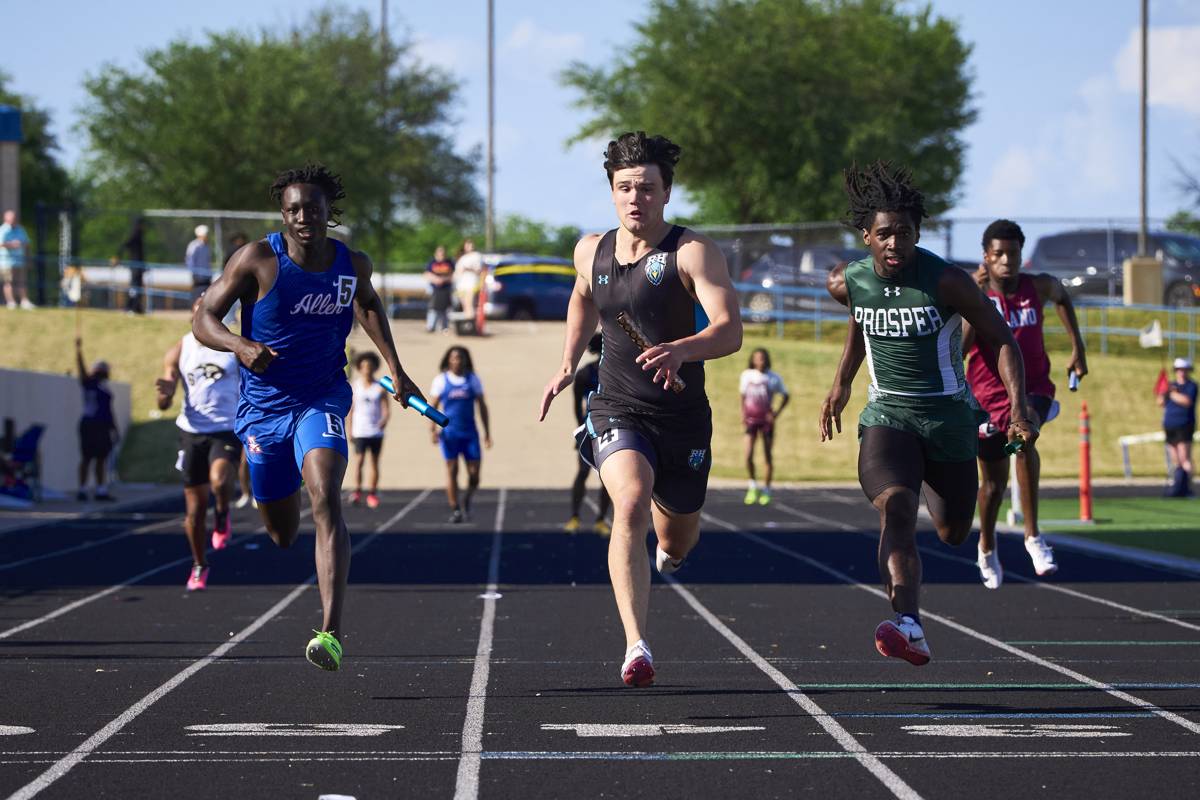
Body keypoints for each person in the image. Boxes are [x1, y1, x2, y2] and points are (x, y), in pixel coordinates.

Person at [193, 164, 424, 671]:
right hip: (263, 410)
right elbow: (202, 317)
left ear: (327, 214)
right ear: (283, 213)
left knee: (325, 496)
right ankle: (277, 493)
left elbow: (367, 304)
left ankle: (331, 630)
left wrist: (396, 368)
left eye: (313, 209)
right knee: (279, 531)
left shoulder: (350, 263)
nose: (304, 217)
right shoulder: (256, 259)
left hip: (322, 397)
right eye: (294, 209)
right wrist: (240, 344)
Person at [538, 131, 742, 687]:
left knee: (677, 539)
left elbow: (729, 331)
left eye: (647, 188)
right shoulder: (590, 250)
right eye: (625, 187)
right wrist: (566, 362)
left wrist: (683, 348)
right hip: (616, 406)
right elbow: (583, 295)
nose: (636, 198)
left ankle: (669, 556)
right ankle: (637, 645)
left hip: (681, 417)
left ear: (666, 192)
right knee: (627, 502)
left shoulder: (691, 252)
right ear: (611, 192)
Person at [819, 161, 1037, 667]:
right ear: (866, 236)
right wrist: (842, 382)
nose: (895, 245)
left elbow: (1002, 338)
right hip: (887, 415)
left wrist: (1019, 411)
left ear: (917, 233)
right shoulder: (844, 280)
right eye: (884, 235)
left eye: (905, 234)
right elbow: (860, 316)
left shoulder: (948, 282)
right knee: (894, 506)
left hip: (948, 420)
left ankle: (948, 554)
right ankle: (908, 622)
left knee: (952, 531)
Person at [964, 219, 1088, 588]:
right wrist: (976, 300)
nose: (1006, 260)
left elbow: (1063, 295)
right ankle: (986, 544)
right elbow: (964, 348)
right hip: (987, 395)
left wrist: (1077, 347)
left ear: (1021, 254)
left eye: (1013, 253)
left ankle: (1033, 536)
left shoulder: (1038, 286)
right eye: (998, 254)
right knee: (992, 487)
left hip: (1032, 386)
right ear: (986, 257)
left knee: (1026, 434)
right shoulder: (976, 293)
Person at [156, 296, 242, 591]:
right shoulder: (181, 348)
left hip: (226, 428)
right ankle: (198, 564)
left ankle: (222, 512)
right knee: (193, 511)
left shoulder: (232, 345)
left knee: (219, 481)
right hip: (192, 431)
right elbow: (165, 399)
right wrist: (165, 392)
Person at [430, 345, 491, 522]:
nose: (457, 360)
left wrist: (487, 433)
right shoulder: (441, 380)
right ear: (448, 360)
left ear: (466, 360)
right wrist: (432, 430)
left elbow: (482, 406)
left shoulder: (472, 379)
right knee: (452, 470)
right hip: (449, 434)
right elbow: (432, 407)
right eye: (454, 357)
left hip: (470, 434)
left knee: (474, 475)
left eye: (461, 357)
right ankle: (455, 508)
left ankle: (467, 499)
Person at [565, 332, 612, 535]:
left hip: (613, 429)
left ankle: (601, 520)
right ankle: (574, 517)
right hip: (590, 427)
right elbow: (577, 406)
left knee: (608, 478)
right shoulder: (585, 374)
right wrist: (581, 429)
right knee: (583, 472)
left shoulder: (618, 373)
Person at [740, 347, 789, 506]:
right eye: (756, 358)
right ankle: (752, 485)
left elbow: (785, 396)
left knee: (767, 455)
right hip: (751, 421)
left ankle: (767, 489)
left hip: (766, 422)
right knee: (748, 454)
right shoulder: (747, 375)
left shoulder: (773, 378)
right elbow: (743, 396)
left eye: (762, 358)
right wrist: (743, 414)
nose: (759, 360)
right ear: (753, 360)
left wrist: (775, 414)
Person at [75, 337, 119, 501]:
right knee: (87, 458)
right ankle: (82, 489)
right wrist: (78, 350)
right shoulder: (90, 383)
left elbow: (109, 411)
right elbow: (81, 370)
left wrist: (114, 428)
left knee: (101, 458)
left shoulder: (104, 387)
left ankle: (101, 490)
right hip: (90, 425)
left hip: (103, 426)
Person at [347, 352, 389, 509]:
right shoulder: (355, 387)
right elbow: (351, 410)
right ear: (360, 368)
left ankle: (372, 493)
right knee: (359, 461)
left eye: (370, 366)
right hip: (360, 431)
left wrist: (384, 420)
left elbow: (386, 408)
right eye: (364, 366)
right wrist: (350, 429)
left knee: (374, 462)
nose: (367, 369)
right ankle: (357, 491)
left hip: (376, 431)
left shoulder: (380, 387)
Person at [1159, 357, 1196, 497]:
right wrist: (1164, 392)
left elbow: (1186, 401)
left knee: (1184, 457)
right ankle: (1178, 486)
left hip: (1184, 425)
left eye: (1183, 369)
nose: (1181, 372)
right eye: (1179, 369)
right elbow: (1161, 402)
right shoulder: (1170, 385)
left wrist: (1172, 393)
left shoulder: (1191, 386)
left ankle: (1189, 488)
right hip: (1170, 425)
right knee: (1175, 459)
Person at [1, 209, 34, 310]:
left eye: (14, 217)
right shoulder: (2, 230)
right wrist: (11, 244)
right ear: (5, 218)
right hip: (6, 261)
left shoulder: (20, 229)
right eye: (10, 218)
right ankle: (11, 302)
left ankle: (24, 301)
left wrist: (22, 246)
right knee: (8, 282)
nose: (12, 219)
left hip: (20, 260)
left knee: (21, 281)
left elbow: (27, 243)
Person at [116, 218, 146, 314]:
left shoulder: (138, 235)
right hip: (135, 267)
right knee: (135, 287)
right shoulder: (135, 235)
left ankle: (137, 307)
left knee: (137, 287)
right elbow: (125, 244)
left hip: (138, 266)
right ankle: (131, 307)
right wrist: (118, 256)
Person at [425, 245, 454, 333]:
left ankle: (444, 327)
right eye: (439, 253)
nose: (441, 255)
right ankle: (431, 326)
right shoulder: (432, 262)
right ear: (436, 254)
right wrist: (436, 279)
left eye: (443, 253)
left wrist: (444, 279)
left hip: (446, 289)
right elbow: (426, 274)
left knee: (446, 309)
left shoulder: (449, 263)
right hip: (434, 289)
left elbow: (454, 274)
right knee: (433, 308)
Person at [454, 238, 484, 322]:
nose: (469, 247)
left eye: (470, 245)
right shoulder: (462, 257)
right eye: (467, 245)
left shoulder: (476, 256)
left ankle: (471, 325)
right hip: (461, 284)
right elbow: (457, 271)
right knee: (464, 306)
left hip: (470, 283)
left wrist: (467, 269)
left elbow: (478, 270)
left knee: (469, 304)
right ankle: (467, 324)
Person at [186, 225, 212, 300]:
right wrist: (194, 273)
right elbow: (190, 261)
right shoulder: (194, 246)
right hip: (198, 277)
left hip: (206, 276)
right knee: (197, 297)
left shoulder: (207, 246)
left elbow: (208, 261)